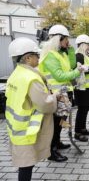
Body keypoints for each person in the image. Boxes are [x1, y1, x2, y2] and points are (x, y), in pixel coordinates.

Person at [5, 37, 58, 181]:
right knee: (26, 165)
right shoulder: (31, 78)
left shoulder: (16, 74)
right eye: (36, 55)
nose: (39, 57)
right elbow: (44, 105)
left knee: (25, 165)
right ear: (28, 58)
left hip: (16, 127)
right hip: (27, 130)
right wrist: (55, 97)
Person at [38, 24, 83, 162]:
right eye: (66, 40)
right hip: (56, 95)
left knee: (59, 122)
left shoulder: (59, 53)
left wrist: (69, 50)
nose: (68, 42)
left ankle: (57, 143)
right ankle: (51, 151)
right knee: (55, 124)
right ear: (58, 39)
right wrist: (77, 72)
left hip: (63, 93)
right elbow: (60, 76)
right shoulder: (50, 56)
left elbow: (71, 65)